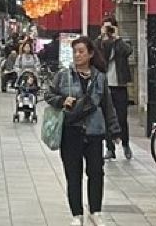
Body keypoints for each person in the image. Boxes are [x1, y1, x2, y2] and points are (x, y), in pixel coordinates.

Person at [44, 36, 120, 226]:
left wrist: (114, 130)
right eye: (75, 52)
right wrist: (62, 100)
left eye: (81, 51)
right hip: (70, 131)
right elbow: (48, 94)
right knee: (73, 174)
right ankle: (76, 214)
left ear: (90, 54)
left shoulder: (99, 78)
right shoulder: (64, 75)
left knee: (96, 173)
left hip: (94, 132)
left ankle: (95, 211)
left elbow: (107, 105)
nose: (77, 55)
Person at [96, 16, 133, 160]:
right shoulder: (99, 42)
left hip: (119, 85)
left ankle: (126, 144)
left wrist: (117, 38)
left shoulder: (121, 42)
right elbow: (95, 55)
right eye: (105, 27)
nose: (108, 30)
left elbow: (128, 51)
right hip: (105, 86)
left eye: (110, 27)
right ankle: (110, 148)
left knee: (122, 117)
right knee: (106, 117)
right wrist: (102, 38)